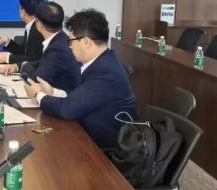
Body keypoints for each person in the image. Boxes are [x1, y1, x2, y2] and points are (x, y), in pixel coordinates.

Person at [24, 9, 137, 149]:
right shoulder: (103, 61)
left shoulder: (105, 72)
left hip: (106, 149)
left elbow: (67, 109)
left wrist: (37, 95)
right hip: (90, 136)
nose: (70, 46)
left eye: (71, 41)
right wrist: (52, 92)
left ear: (86, 42)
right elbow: (80, 97)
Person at [1, 1, 80, 94]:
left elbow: (36, 79)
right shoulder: (60, 39)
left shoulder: (57, 48)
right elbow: (40, 62)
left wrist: (24, 65)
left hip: (63, 99)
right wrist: (16, 66)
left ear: (39, 25)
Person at [0, 0, 44, 65]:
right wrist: (8, 42)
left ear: (24, 12)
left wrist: (7, 58)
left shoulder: (38, 29)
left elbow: (33, 59)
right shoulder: (31, 26)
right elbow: (24, 51)